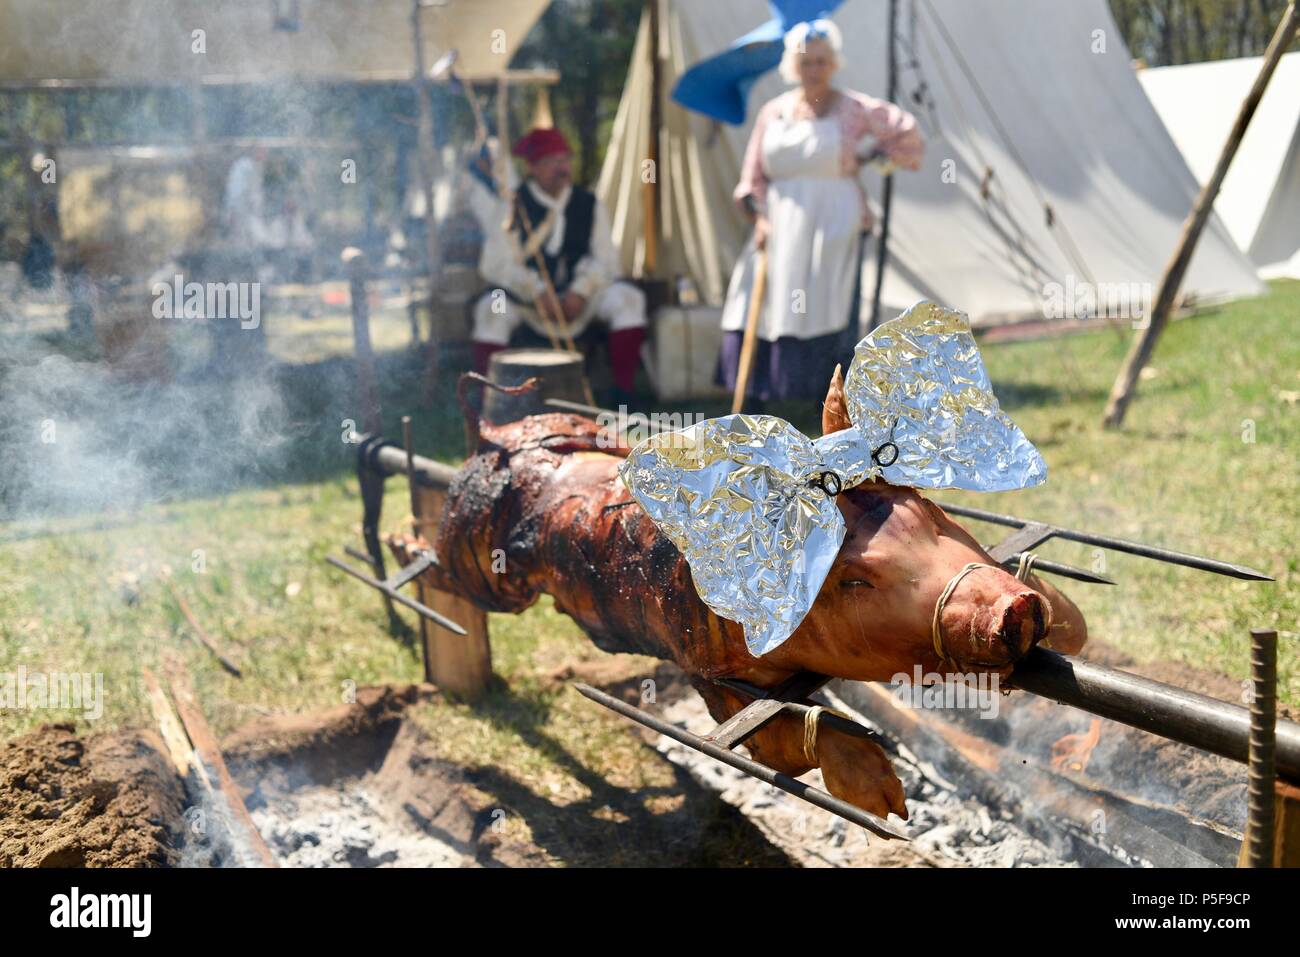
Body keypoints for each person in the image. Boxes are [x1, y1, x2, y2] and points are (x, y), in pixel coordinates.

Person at [719, 19, 925, 405]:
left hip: (835, 222)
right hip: (779, 221)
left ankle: (829, 396)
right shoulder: (773, 113)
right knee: (766, 300)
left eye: (820, 62)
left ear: (833, 64)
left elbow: (908, 134)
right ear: (791, 67)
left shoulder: (853, 108)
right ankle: (763, 392)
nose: (813, 70)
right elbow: (752, 178)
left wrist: (873, 156)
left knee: (828, 302)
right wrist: (760, 218)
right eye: (805, 62)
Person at [471, 127, 647, 402]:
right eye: (552, 161)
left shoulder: (589, 204)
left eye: (565, 160)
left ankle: (623, 392)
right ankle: (491, 397)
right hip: (526, 303)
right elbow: (496, 264)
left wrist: (581, 290)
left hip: (578, 302)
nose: (562, 168)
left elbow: (607, 260)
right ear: (533, 167)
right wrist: (537, 292)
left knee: (628, 298)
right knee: (491, 307)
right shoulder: (511, 206)